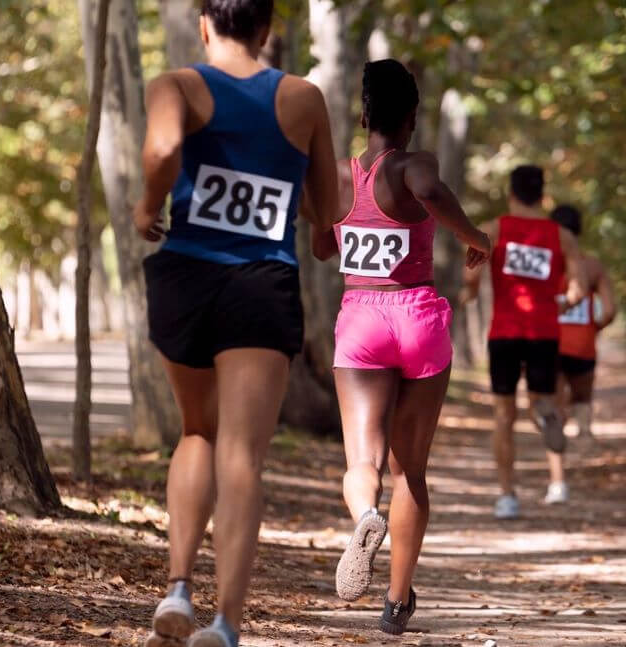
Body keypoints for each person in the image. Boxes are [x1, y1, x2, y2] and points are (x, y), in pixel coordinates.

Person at [132, 0, 338, 645]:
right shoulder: (304, 98)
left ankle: (176, 591)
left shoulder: (178, 86)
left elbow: (164, 147)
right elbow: (328, 209)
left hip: (187, 278)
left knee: (197, 432)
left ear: (204, 24)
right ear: (267, 30)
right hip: (259, 284)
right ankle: (225, 625)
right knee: (243, 455)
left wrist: (148, 206)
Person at [314, 59, 491, 636]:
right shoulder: (416, 164)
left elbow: (321, 245)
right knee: (410, 469)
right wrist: (475, 238)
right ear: (412, 116)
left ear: (363, 113)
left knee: (362, 461)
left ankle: (366, 515)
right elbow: (431, 191)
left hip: (361, 320)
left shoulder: (339, 175)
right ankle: (395, 602)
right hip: (416, 317)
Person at [461, 165, 586, 521]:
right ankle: (547, 426)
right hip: (544, 332)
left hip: (505, 333)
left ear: (511, 193)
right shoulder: (563, 236)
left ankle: (506, 495)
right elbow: (576, 291)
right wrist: (560, 302)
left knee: (503, 415)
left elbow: (470, 276)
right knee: (542, 401)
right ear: (543, 195)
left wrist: (468, 292)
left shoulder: (496, 230)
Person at [545, 204, 616, 505]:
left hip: (547, 345)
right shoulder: (593, 266)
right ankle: (588, 462)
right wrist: (594, 327)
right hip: (583, 346)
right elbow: (610, 309)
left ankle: (558, 482)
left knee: (552, 410)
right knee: (583, 402)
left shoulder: (544, 265)